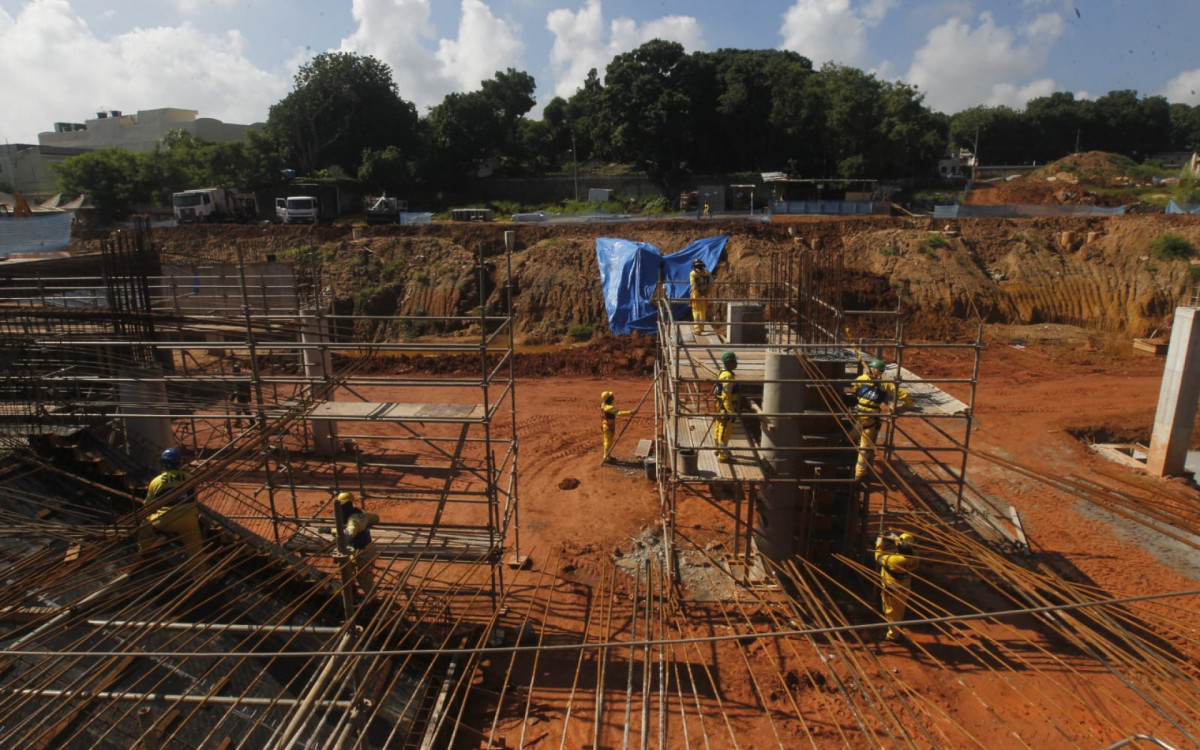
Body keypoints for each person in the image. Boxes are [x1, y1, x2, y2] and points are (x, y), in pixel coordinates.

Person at [852, 358, 912, 481]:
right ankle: (859, 473)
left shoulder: (864, 379)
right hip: (870, 419)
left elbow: (855, 384)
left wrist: (864, 379)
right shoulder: (885, 384)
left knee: (854, 435)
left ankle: (848, 446)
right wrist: (910, 406)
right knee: (864, 447)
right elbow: (903, 394)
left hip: (859, 416)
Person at [138, 448, 203, 559]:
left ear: (163, 464)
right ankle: (199, 570)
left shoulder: (156, 481)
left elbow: (148, 506)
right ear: (179, 463)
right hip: (187, 521)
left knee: (144, 526)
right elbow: (194, 498)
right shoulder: (190, 478)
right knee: (195, 546)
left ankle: (144, 552)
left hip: (163, 521)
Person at [875, 531, 919, 641]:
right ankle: (898, 626)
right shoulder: (915, 557)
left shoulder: (894, 560)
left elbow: (878, 557)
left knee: (891, 612)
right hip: (905, 588)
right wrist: (895, 538)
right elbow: (906, 546)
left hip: (892, 590)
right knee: (900, 609)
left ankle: (893, 635)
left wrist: (879, 542)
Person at [336, 491, 380, 594]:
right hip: (360, 550)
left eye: (341, 507)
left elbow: (348, 534)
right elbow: (376, 518)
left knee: (364, 577)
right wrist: (365, 523)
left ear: (346, 506)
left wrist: (333, 531)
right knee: (347, 567)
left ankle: (372, 599)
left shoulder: (353, 520)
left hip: (363, 553)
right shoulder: (361, 514)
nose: (340, 511)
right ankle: (351, 588)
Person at [713, 351, 739, 463]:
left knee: (719, 428)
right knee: (724, 432)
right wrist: (731, 412)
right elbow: (726, 397)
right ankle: (723, 456)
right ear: (729, 363)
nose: (736, 363)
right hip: (725, 408)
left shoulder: (722, 372)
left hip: (720, 406)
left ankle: (717, 449)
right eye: (734, 361)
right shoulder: (728, 376)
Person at [600, 390, 632, 463]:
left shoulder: (603, 404)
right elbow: (619, 413)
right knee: (608, 442)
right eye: (611, 397)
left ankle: (608, 456)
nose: (613, 397)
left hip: (606, 425)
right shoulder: (609, 408)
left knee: (608, 442)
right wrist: (630, 412)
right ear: (608, 399)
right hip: (608, 427)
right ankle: (606, 458)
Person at [689, 259, 714, 336]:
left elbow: (693, 286)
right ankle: (702, 327)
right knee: (703, 310)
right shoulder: (707, 273)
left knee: (696, 311)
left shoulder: (693, 274)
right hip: (704, 295)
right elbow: (711, 284)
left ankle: (697, 329)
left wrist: (697, 292)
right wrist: (706, 292)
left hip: (696, 295)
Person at [229, 363, 252, 428]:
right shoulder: (244, 378)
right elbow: (248, 389)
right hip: (245, 396)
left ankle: (239, 423)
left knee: (240, 410)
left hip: (241, 396)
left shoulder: (237, 379)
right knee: (245, 410)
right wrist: (249, 397)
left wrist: (231, 399)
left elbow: (236, 391)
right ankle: (251, 422)